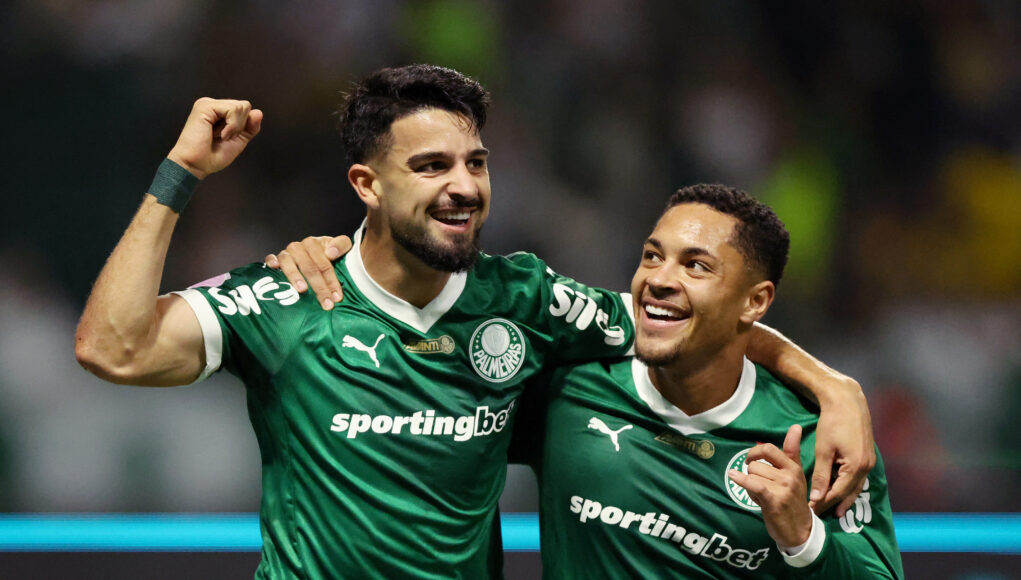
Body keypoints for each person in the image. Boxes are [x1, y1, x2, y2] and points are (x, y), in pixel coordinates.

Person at [76, 64, 872, 578]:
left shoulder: (525, 299)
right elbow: (113, 348)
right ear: (366, 184)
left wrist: (833, 388)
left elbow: (681, 319)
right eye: (430, 167)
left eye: (475, 163)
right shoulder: (290, 299)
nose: (463, 187)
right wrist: (179, 176)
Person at [507, 185, 903, 577]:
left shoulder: (822, 439)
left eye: (695, 265)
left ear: (756, 302)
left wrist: (805, 540)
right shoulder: (569, 387)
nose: (659, 279)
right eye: (651, 256)